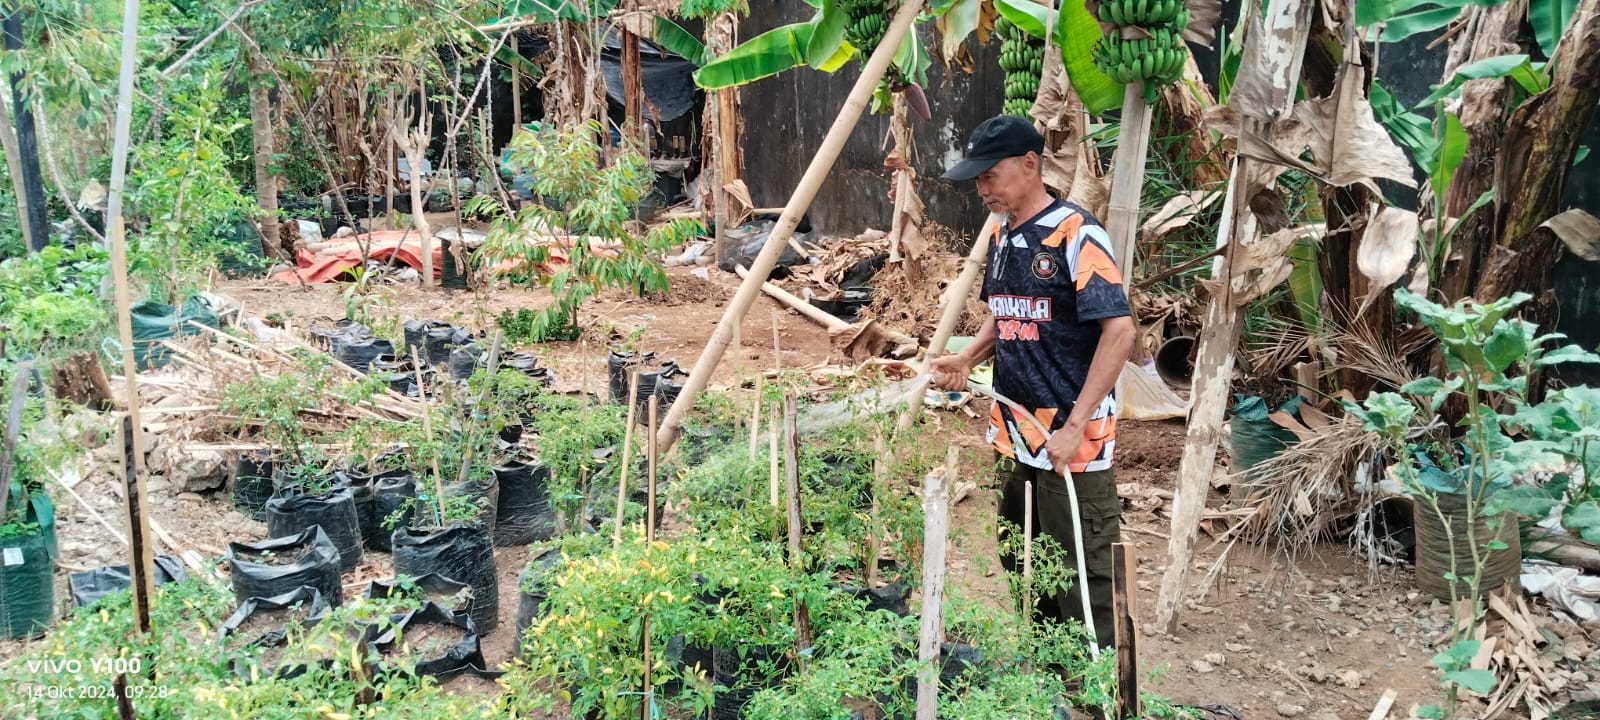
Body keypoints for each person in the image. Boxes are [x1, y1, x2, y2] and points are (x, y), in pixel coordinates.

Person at [931, 115, 1136, 650]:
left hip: (1072, 443)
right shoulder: (1002, 233)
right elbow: (1007, 314)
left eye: (989, 176)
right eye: (977, 180)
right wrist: (969, 357)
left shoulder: (1077, 234)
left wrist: (1075, 425)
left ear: (1029, 164)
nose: (982, 189)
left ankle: (1101, 697)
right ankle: (1051, 683)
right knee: (1024, 561)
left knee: (1082, 581)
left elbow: (1119, 333)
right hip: (1019, 436)